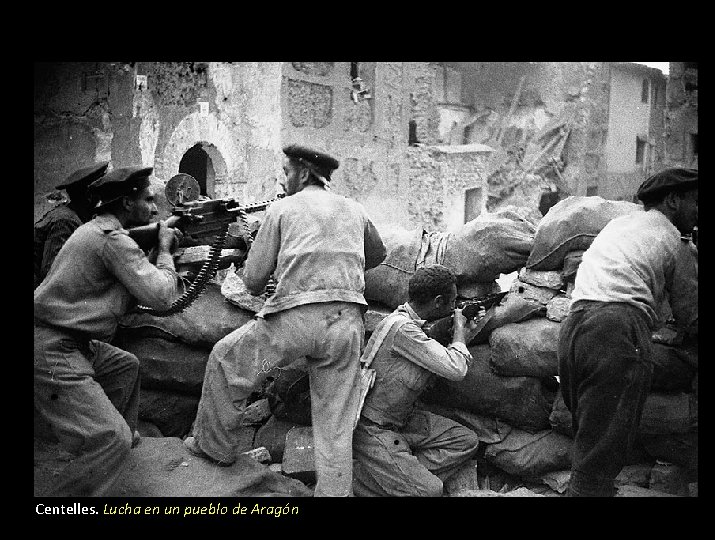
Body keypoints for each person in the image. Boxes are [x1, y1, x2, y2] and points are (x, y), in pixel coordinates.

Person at [184, 144, 386, 497]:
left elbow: (253, 281)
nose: (283, 178)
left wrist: (258, 250)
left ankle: (214, 448)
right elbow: (378, 254)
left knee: (226, 360)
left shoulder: (282, 209)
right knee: (334, 423)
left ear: (304, 173)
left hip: (295, 323)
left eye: (287, 172)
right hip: (346, 325)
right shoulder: (355, 208)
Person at [34, 166, 182, 496]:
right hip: (53, 347)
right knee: (109, 438)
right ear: (127, 205)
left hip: (69, 341)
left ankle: (115, 464)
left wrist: (157, 231)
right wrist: (166, 252)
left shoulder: (93, 229)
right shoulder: (110, 241)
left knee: (125, 367)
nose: (155, 207)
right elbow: (160, 296)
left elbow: (128, 243)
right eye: (148, 200)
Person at [557, 168, 698, 497]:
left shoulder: (618, 226)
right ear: (673, 201)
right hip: (617, 332)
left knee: (590, 440)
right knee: (601, 453)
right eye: (696, 202)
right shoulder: (677, 242)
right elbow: (691, 317)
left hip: (574, 329)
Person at [352, 264, 484, 496]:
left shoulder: (414, 327)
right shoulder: (403, 329)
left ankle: (397, 476)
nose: (454, 308)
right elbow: (456, 369)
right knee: (431, 490)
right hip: (374, 428)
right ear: (437, 302)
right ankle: (365, 481)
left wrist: (466, 333)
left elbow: (445, 359)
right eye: (452, 302)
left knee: (465, 441)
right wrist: (459, 330)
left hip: (402, 420)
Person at [34, 161, 109, 288]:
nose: (104, 201)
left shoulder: (75, 218)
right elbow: (53, 274)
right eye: (101, 195)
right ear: (89, 196)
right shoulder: (65, 221)